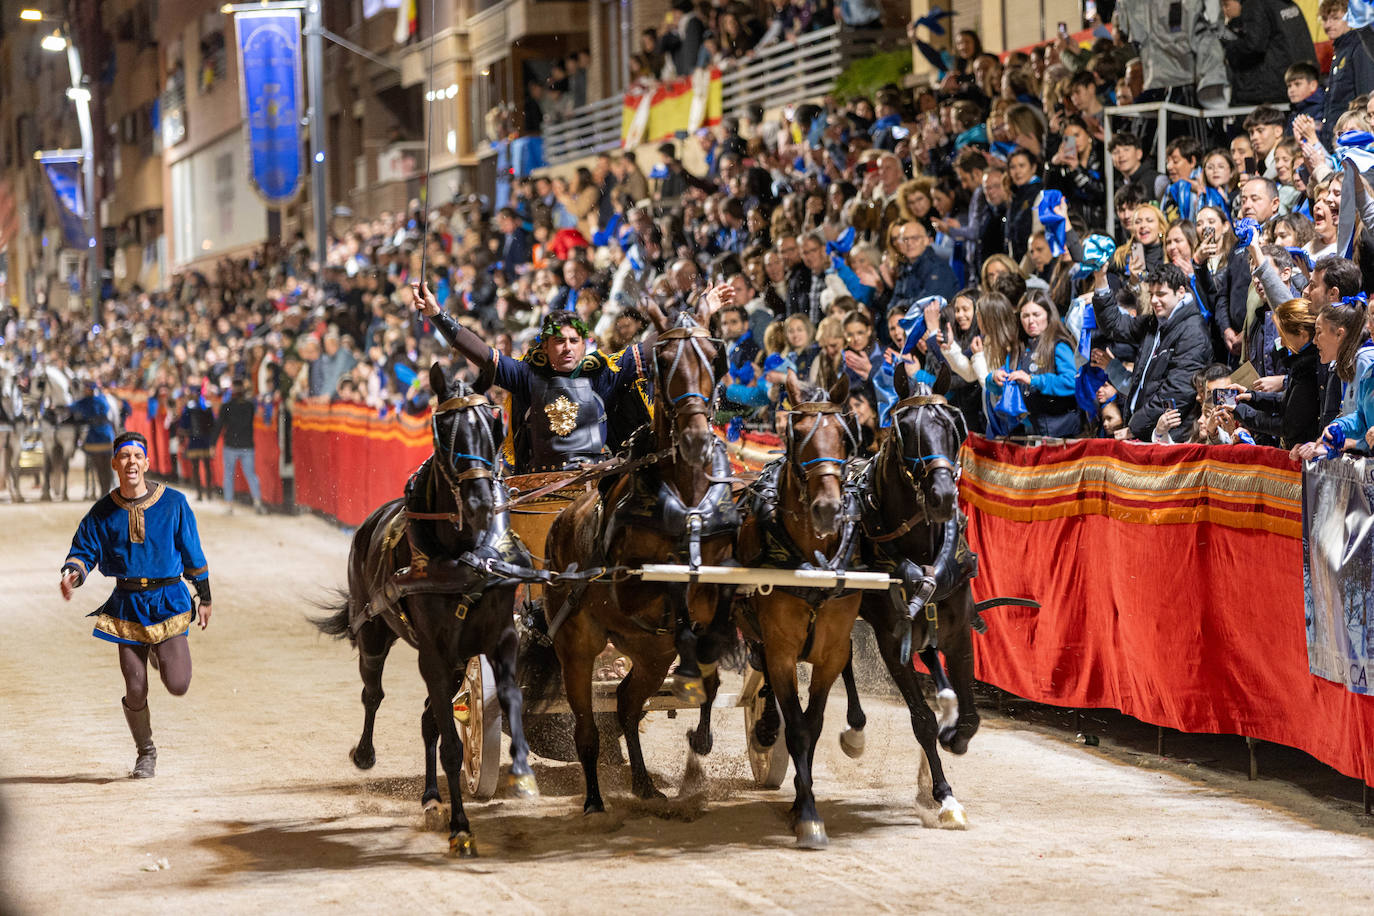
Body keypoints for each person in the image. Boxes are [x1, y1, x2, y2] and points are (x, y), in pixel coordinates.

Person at [58, 431, 213, 779]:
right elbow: (84, 551)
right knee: (135, 687)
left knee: (178, 684)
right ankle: (146, 752)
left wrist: (204, 596)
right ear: (114, 463)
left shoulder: (173, 503)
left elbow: (193, 552)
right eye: (123, 456)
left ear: (146, 462)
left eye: (136, 455)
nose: (130, 461)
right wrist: (72, 574)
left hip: (169, 601)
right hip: (126, 606)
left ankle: (161, 652)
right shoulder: (102, 512)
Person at [1090, 263, 1212, 440]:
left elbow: (1177, 392)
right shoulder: (1155, 322)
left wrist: (1134, 428)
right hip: (1145, 431)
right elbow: (1114, 325)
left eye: (1161, 294)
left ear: (1180, 292)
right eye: (1151, 294)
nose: (1154, 300)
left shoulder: (1193, 333)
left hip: (1170, 437)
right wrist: (1100, 277)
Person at [213, 379, 264, 515]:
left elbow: (219, 425)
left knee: (229, 475)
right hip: (247, 444)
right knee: (251, 475)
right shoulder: (249, 405)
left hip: (231, 444)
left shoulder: (227, 406)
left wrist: (213, 443)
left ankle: (229, 505)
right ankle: (257, 502)